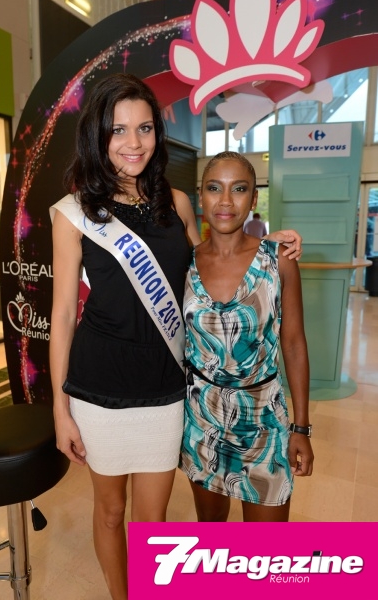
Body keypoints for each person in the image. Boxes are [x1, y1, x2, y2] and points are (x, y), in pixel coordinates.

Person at [49, 74, 303, 599]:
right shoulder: (74, 214)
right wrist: (59, 407)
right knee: (110, 511)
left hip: (168, 390)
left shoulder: (178, 203)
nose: (134, 142)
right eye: (119, 130)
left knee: (154, 519)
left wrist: (267, 240)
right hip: (99, 388)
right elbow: (63, 316)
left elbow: (214, 258)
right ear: (98, 135)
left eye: (144, 128)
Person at [180, 151, 313, 523]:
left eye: (238, 189)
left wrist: (301, 428)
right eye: (214, 188)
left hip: (264, 422)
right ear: (201, 197)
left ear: (254, 199)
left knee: (265, 549)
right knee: (213, 534)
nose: (225, 201)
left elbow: (294, 344)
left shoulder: (278, 260)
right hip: (201, 421)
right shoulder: (184, 263)